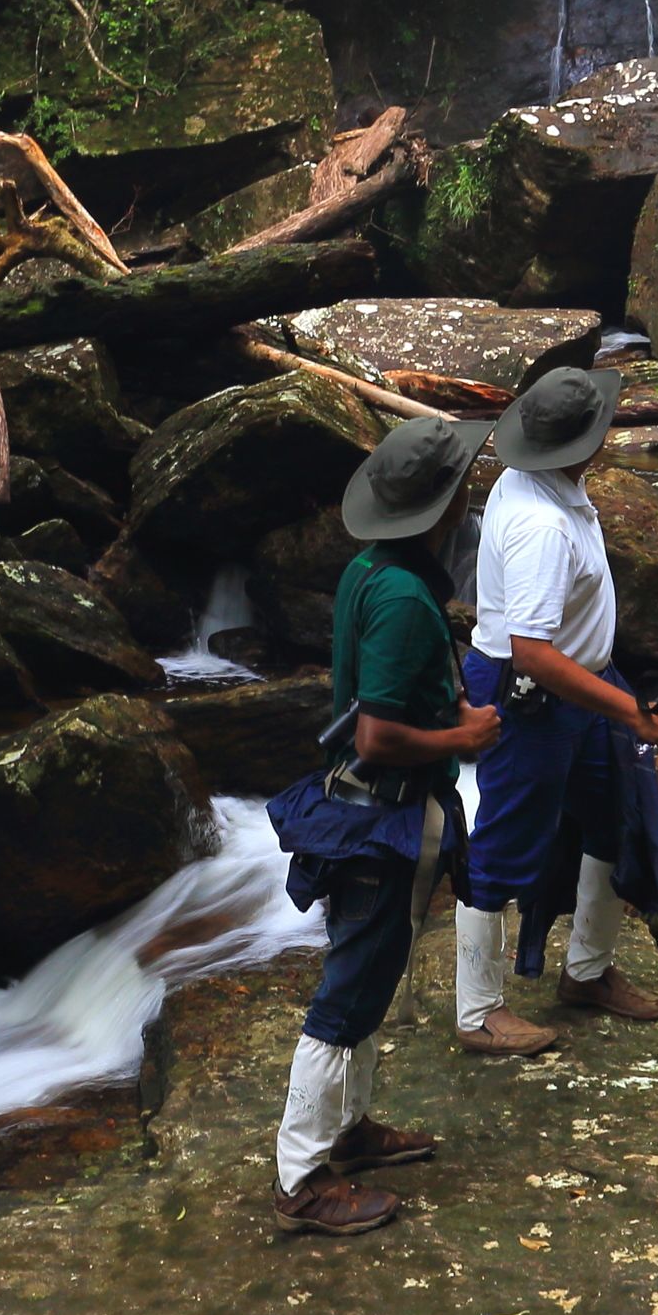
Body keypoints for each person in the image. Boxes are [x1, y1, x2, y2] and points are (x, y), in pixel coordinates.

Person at [261, 415, 503, 1236]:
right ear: (441, 507)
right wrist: (465, 736)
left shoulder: (376, 569)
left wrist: (447, 701)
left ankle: (351, 1130)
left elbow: (386, 693)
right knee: (348, 992)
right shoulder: (403, 597)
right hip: (380, 824)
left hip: (376, 815)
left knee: (372, 978)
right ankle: (300, 1178)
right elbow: (375, 735)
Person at [451, 364, 658, 1057]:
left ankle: (586, 972)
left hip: (587, 682)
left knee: (615, 818)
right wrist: (633, 712)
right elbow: (531, 652)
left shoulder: (543, 481)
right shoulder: (540, 527)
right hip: (532, 697)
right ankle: (478, 1012)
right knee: (503, 844)